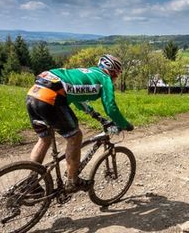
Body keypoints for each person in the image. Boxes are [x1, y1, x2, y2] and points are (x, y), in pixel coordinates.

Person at [25, 54, 134, 193]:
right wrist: (124, 124)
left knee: (44, 139)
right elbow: (111, 107)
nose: (116, 79)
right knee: (75, 137)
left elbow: (77, 98)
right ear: (113, 72)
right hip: (51, 99)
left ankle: (31, 181)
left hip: (33, 95)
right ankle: (72, 181)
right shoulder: (104, 78)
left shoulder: (87, 73)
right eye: (117, 75)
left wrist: (96, 115)